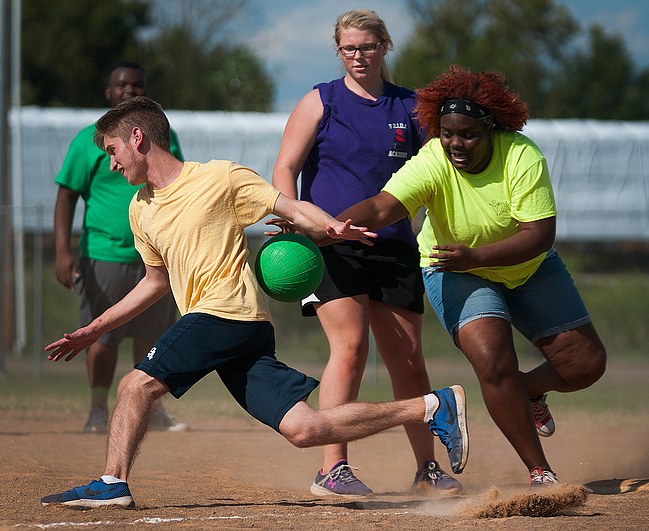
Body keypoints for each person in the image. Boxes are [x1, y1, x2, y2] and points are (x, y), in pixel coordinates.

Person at [40, 96, 468, 509]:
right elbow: (156, 282)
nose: (111, 164)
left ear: (137, 138)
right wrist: (94, 329)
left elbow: (291, 207)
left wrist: (333, 227)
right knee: (305, 428)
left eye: (113, 151)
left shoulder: (219, 177)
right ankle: (431, 406)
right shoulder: (140, 208)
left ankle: (113, 482)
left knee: (135, 385)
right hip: (231, 330)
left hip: (226, 313)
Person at [336, 66, 607, 487]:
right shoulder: (433, 160)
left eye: (468, 134)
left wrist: (476, 255)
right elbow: (380, 206)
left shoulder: (521, 155)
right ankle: (541, 472)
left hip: (527, 267)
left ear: (491, 129)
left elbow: (540, 234)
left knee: (586, 365)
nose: (455, 144)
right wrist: (332, 227)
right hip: (454, 269)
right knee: (493, 362)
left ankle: (528, 392)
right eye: (447, 133)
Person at [271, 9, 459, 498]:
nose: (358, 56)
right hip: (333, 245)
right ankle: (333, 468)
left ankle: (428, 471)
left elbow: (443, 170)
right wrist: (296, 218)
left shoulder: (412, 106)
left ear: (384, 47)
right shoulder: (320, 99)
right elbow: (285, 167)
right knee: (350, 348)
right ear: (339, 51)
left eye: (367, 47)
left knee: (409, 361)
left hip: (394, 246)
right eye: (349, 48)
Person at [53, 61, 187, 434]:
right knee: (103, 335)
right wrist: (63, 251)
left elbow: (176, 182)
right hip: (105, 254)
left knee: (153, 337)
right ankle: (98, 409)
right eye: (122, 85)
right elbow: (66, 196)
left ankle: (152, 410)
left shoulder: (163, 135)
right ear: (109, 93)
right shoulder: (89, 140)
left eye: (138, 85)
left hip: (156, 255)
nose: (130, 90)